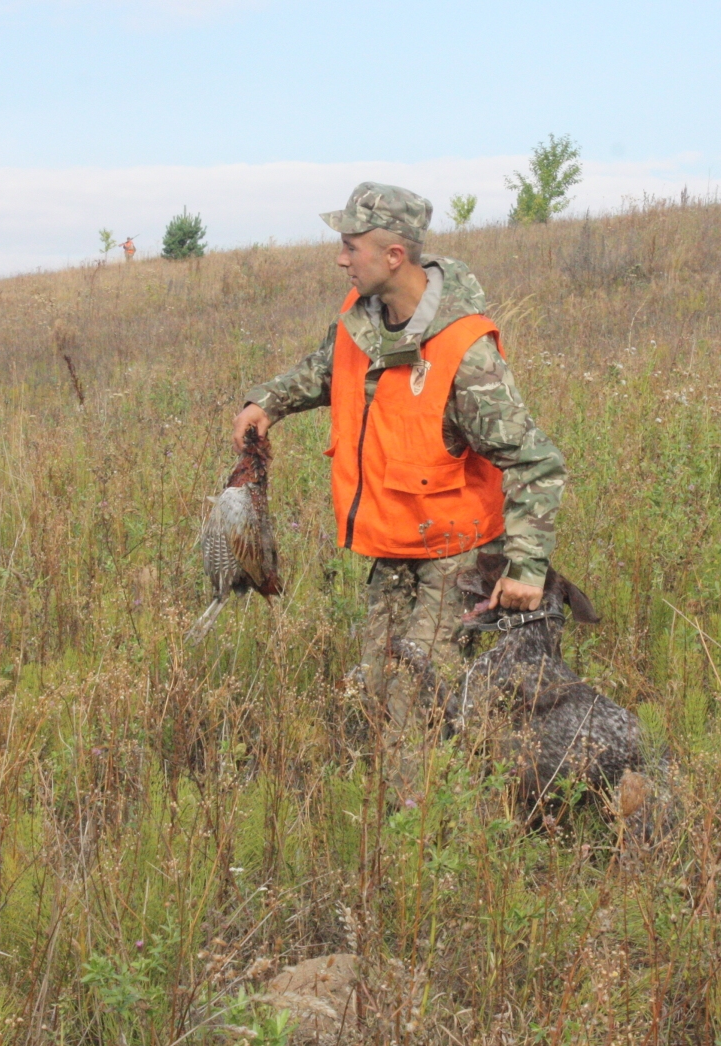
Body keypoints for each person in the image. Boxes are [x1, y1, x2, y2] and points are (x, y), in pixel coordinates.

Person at [231, 182, 567, 803]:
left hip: (455, 555)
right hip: (392, 547)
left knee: (422, 694)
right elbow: (326, 369)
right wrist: (267, 403)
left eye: (350, 246)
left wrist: (525, 567)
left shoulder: (464, 351)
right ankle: (408, 807)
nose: (340, 259)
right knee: (379, 683)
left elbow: (536, 461)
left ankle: (430, 827)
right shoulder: (362, 318)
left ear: (393, 256)